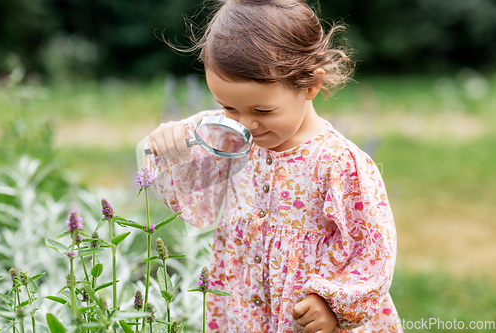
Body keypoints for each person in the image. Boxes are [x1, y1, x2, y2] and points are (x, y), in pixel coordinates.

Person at [144, 0, 402, 332]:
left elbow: (372, 250)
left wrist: (334, 306)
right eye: (228, 107)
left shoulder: (338, 163)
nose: (245, 124)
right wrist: (172, 147)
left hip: (308, 320)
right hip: (242, 312)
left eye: (262, 111)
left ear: (310, 86)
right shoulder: (225, 135)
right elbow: (196, 201)